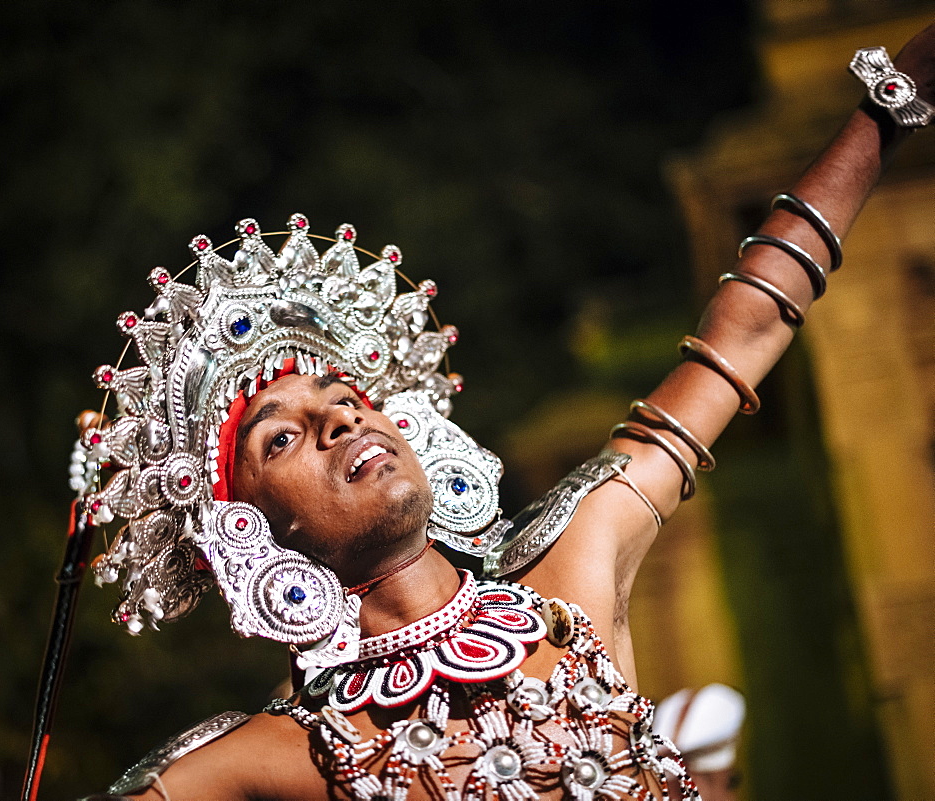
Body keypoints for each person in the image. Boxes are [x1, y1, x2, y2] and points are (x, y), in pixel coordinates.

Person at [69, 24, 934, 801]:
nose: (341, 421)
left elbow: (743, 329)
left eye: (348, 397)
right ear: (249, 531)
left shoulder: (573, 573)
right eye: (284, 436)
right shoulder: (269, 759)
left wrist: (893, 99)